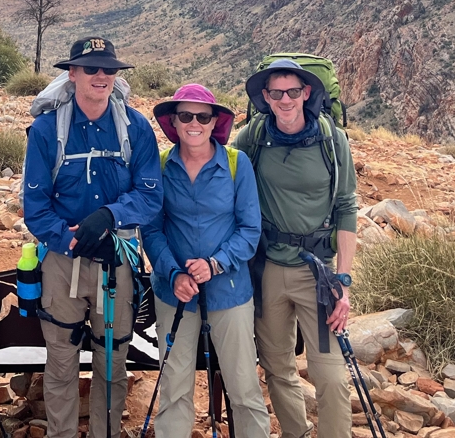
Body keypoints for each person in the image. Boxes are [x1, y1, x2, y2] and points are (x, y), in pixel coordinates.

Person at [22, 37, 162, 438]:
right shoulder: (48, 130)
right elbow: (35, 205)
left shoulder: (135, 127)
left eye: (109, 69)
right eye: (91, 68)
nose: (101, 76)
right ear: (72, 74)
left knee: (111, 362)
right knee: (62, 362)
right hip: (63, 263)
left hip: (117, 261)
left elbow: (151, 194)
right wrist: (72, 240)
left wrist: (109, 217)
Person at [235, 59, 359, 438]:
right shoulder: (252, 138)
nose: (285, 99)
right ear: (266, 97)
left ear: (307, 93)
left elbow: (346, 207)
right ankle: (296, 433)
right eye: (276, 92)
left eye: (293, 91)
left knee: (332, 375)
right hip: (267, 269)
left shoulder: (331, 140)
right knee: (277, 366)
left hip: (316, 273)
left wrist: (345, 281)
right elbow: (217, 176)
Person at [142, 84, 270, 438]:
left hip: (229, 290)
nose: (194, 123)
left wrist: (215, 263)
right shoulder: (161, 166)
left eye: (203, 116)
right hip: (175, 293)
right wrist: (174, 273)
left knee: (243, 386)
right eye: (186, 115)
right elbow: (151, 230)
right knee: (175, 387)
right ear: (174, 122)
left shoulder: (235, 164)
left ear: (215, 122)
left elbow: (249, 229)